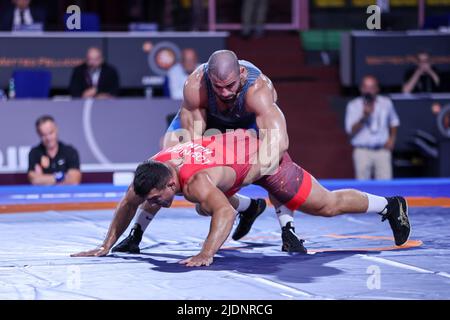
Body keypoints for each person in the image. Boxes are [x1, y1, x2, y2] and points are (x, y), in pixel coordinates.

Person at [71, 130, 411, 267]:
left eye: (159, 200)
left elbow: (224, 215)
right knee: (206, 206)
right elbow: (130, 201)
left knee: (325, 206)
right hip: (234, 152)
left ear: (171, 184)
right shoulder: (154, 169)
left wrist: (206, 253)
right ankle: (254, 206)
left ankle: (389, 205)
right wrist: (106, 244)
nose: (155, 204)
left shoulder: (194, 181)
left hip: (264, 160)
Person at [112, 50, 304, 254]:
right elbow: (193, 142)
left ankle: (288, 229)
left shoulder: (259, 89)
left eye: (230, 86)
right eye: (217, 87)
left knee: (274, 166)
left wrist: (249, 174)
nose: (224, 93)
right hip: (207, 120)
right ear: (208, 79)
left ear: (241, 74)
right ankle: (136, 233)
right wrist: (193, 168)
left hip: (246, 123)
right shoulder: (195, 86)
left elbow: (277, 143)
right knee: (163, 172)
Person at [345, 75, 400, 180]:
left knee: (386, 185)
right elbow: (350, 130)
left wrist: (392, 138)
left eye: (372, 87)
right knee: (362, 188)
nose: (368, 91)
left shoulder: (386, 103)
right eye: (366, 87)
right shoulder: (353, 106)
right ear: (361, 89)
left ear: (377, 89)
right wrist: (364, 117)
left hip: (382, 150)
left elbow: (394, 121)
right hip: (362, 151)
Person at [28, 115, 81, 186]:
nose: (48, 138)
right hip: (43, 195)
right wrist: (62, 177)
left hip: (66, 195)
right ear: (38, 134)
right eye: (44, 135)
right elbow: (34, 180)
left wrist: (44, 179)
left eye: (51, 133)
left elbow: (74, 180)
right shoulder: (34, 153)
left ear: (56, 129)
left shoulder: (70, 151)